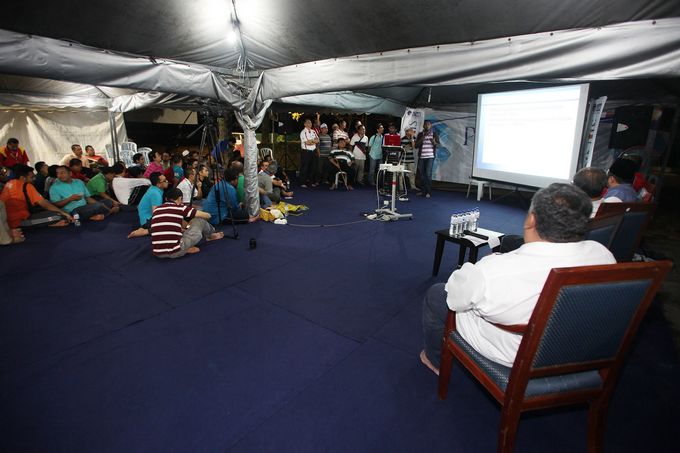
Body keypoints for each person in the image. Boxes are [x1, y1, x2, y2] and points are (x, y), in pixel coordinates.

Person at [420, 183, 616, 375]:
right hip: (581, 346)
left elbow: (455, 299)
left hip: (521, 354)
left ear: (531, 219)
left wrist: (475, 270)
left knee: (437, 294)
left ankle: (435, 360)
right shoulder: (603, 254)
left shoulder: (494, 271)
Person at [149, 187, 223, 258]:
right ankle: (210, 235)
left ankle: (183, 248)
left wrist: (188, 226)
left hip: (158, 253)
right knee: (200, 220)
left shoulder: (156, 210)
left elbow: (174, 226)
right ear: (180, 198)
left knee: (185, 229)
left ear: (166, 199)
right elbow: (207, 216)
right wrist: (198, 217)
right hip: (176, 251)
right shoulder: (180, 208)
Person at [0, 164, 72, 229]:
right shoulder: (26, 185)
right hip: (18, 221)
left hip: (5, 222)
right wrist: (63, 212)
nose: (34, 179)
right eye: (31, 177)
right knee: (60, 216)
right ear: (23, 178)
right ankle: (50, 224)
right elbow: (44, 204)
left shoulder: (9, 184)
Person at [49, 166, 116, 221]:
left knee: (108, 202)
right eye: (58, 173)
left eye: (62, 173)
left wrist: (99, 204)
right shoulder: (54, 187)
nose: (60, 175)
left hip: (86, 207)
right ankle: (108, 212)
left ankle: (92, 216)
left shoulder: (79, 182)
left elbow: (87, 198)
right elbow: (56, 205)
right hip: (73, 211)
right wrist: (69, 199)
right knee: (96, 207)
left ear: (70, 173)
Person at [127, 172, 169, 238]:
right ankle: (145, 231)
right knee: (170, 225)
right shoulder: (156, 194)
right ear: (158, 184)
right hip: (147, 221)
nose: (167, 181)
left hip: (145, 218)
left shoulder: (154, 188)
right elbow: (156, 214)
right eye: (165, 181)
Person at [415, 120, 439, 198]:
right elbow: (416, 146)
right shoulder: (420, 134)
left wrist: (434, 143)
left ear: (431, 126)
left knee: (428, 174)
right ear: (423, 126)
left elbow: (439, 145)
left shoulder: (434, 134)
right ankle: (422, 191)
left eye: (428, 124)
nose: (427, 126)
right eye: (425, 124)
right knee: (421, 175)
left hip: (430, 157)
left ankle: (428, 192)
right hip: (421, 157)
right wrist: (422, 138)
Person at [299, 118, 319, 188]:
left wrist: (312, 141)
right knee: (305, 167)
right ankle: (302, 182)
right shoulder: (303, 132)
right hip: (306, 152)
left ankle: (311, 182)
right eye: (308, 122)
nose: (309, 124)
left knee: (313, 167)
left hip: (313, 151)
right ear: (304, 124)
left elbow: (317, 140)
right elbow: (307, 143)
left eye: (310, 122)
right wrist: (313, 141)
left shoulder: (313, 131)